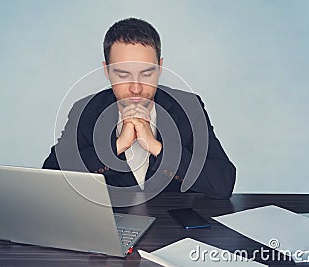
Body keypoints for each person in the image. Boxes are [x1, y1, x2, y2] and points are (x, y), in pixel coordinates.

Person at [43, 18, 236, 199]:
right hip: (111, 225)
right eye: (123, 75)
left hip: (173, 226)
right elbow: (50, 180)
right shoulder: (86, 110)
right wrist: (117, 146)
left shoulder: (189, 107)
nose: (136, 88)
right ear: (106, 70)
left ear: (160, 68)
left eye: (146, 74)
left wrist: (157, 148)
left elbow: (223, 183)